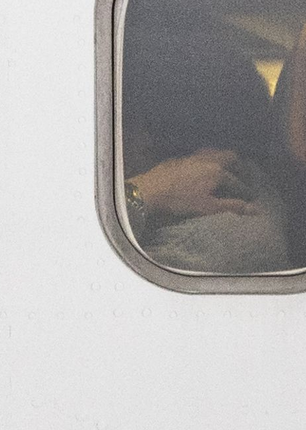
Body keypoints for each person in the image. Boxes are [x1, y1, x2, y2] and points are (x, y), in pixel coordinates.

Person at [120, 30, 290, 274]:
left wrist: (143, 192)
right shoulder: (246, 188)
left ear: (146, 138)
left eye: (121, 119)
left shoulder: (201, 244)